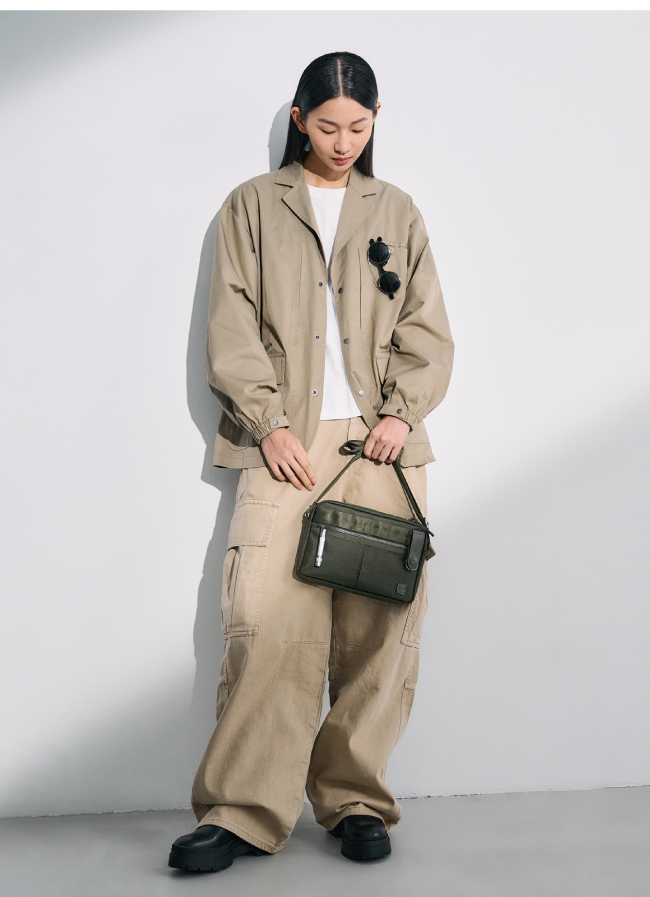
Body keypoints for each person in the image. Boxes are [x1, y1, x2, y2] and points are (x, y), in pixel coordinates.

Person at [168, 51, 454, 874]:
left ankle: (356, 799)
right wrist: (267, 425)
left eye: (358, 126)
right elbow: (230, 328)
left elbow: (428, 328)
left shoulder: (396, 210)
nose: (342, 141)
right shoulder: (252, 206)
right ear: (299, 119)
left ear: (375, 122)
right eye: (327, 126)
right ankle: (241, 809)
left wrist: (400, 411)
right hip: (285, 445)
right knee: (266, 623)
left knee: (379, 628)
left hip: (382, 446)